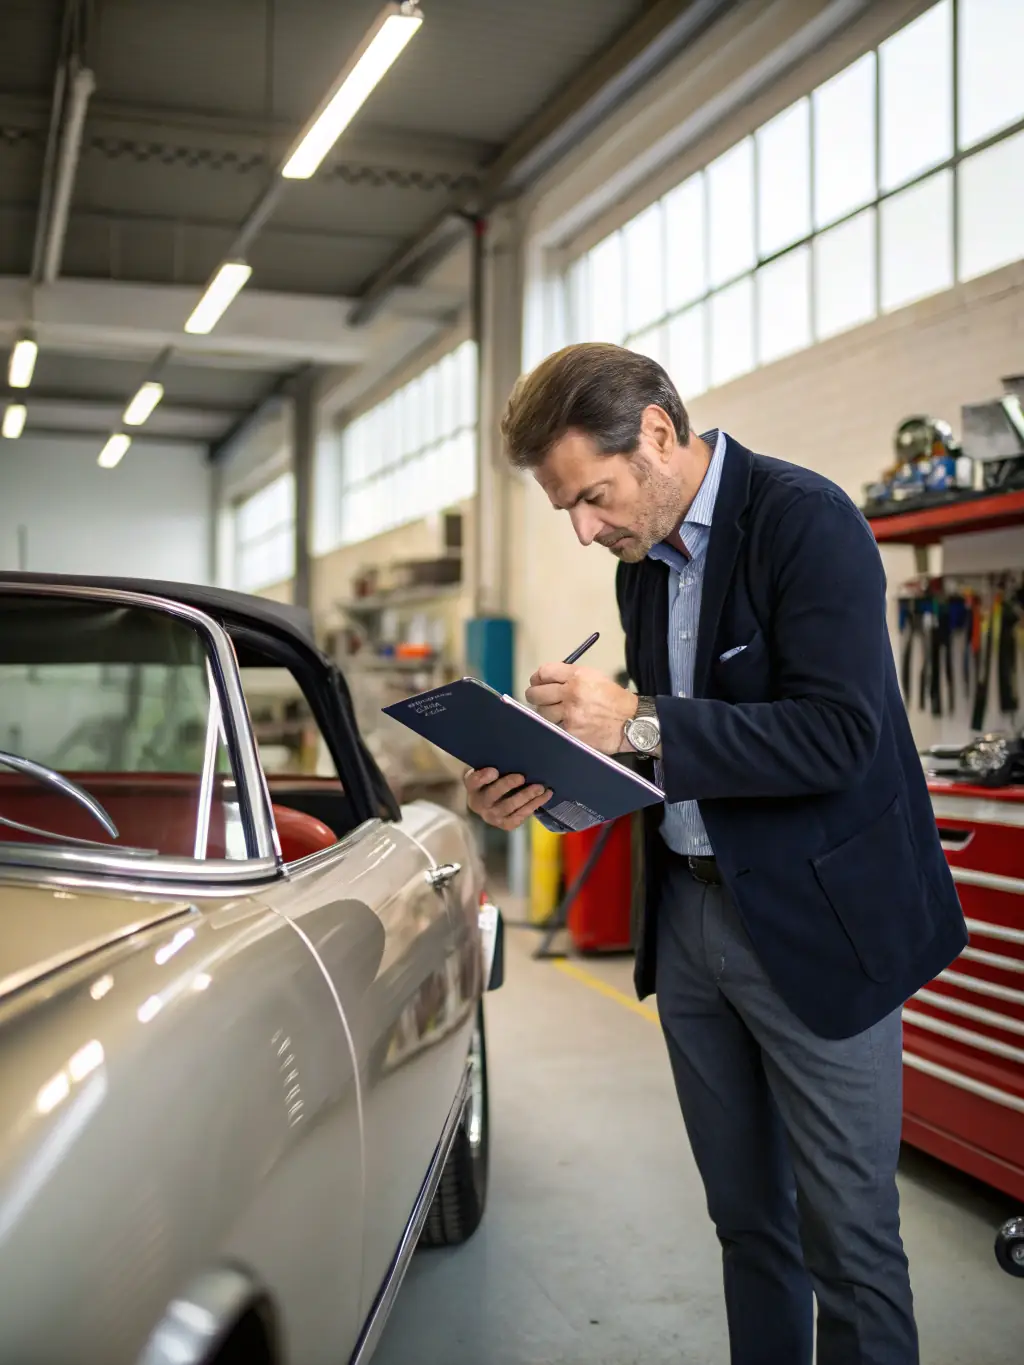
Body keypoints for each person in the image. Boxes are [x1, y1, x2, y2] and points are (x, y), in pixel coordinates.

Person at [464, 343, 968, 1365]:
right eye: (567, 507)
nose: (584, 529)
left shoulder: (805, 521)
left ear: (656, 433)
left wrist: (634, 717)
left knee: (850, 1242)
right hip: (690, 923)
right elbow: (660, 764)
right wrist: (547, 787)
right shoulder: (640, 569)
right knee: (748, 1226)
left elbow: (838, 737)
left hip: (816, 928)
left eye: (593, 497)